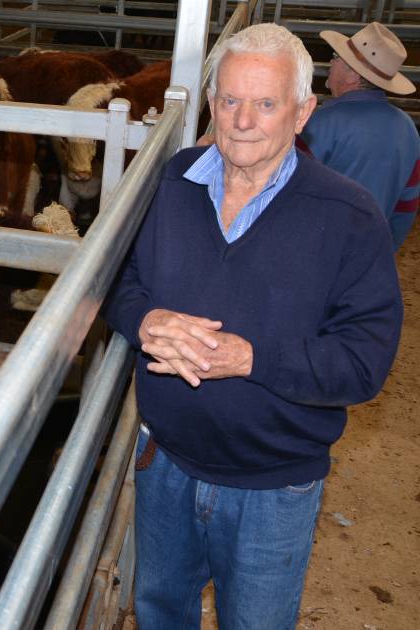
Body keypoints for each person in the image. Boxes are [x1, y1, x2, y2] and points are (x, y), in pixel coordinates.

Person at [105, 23, 403, 629]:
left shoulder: (348, 216)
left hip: (274, 485)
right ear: (213, 104)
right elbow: (115, 280)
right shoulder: (169, 183)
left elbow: (364, 363)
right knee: (158, 610)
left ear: (303, 112)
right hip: (164, 462)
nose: (243, 120)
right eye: (230, 100)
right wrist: (146, 318)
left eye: (266, 103)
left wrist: (251, 359)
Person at [300, 22, 420, 251]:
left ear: (352, 74)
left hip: (318, 250)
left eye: (335, 57)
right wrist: (385, 250)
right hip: (371, 251)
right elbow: (407, 205)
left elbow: (288, 190)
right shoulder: (408, 129)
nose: (330, 64)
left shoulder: (321, 123)